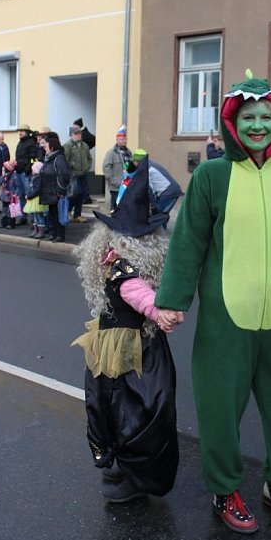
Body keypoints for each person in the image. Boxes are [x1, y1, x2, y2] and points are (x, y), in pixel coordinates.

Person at [155, 72, 271, 535]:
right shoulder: (211, 175)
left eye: (265, 117)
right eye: (248, 118)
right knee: (220, 410)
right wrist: (173, 300)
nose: (257, 125)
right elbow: (188, 242)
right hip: (227, 319)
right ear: (232, 124)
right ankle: (224, 490)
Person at [73, 155, 179, 503]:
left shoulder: (116, 260)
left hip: (123, 345)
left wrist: (161, 311)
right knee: (134, 409)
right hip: (131, 349)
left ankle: (126, 468)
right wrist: (160, 313)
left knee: (120, 406)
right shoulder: (122, 266)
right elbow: (140, 295)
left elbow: (142, 295)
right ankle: (132, 469)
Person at [131, 149, 183, 220]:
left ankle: (161, 226)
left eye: (134, 161)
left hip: (168, 192)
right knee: (161, 215)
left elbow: (149, 189)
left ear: (137, 161)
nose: (133, 164)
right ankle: (162, 224)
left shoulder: (146, 169)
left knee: (157, 216)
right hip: (172, 190)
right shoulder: (151, 164)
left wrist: (153, 206)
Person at [39, 132, 70, 243]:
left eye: (46, 146)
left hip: (56, 192)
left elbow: (63, 175)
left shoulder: (59, 158)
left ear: (52, 148)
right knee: (52, 214)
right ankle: (54, 233)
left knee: (58, 214)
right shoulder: (48, 158)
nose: (44, 148)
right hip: (49, 191)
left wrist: (61, 191)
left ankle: (60, 235)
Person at [63, 124, 91, 223]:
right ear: (71, 135)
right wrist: (70, 170)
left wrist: (88, 166)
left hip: (83, 173)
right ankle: (68, 210)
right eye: (76, 133)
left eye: (79, 133)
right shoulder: (67, 146)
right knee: (74, 193)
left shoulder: (84, 145)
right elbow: (65, 160)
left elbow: (89, 158)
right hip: (73, 175)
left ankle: (77, 214)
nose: (78, 135)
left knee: (81, 194)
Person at [102, 125, 132, 210]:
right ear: (117, 139)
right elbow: (106, 167)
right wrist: (112, 180)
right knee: (115, 208)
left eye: (125, 139)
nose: (124, 141)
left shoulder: (128, 152)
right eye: (122, 139)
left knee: (125, 207)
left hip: (126, 185)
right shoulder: (111, 152)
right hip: (116, 187)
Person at [15, 125, 39, 223]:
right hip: (19, 171)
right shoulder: (20, 143)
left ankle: (33, 219)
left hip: (26, 173)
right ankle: (23, 216)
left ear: (27, 132)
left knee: (29, 195)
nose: (20, 133)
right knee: (21, 195)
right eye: (19, 131)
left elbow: (32, 158)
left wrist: (27, 170)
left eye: (22, 131)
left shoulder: (31, 143)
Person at [23, 160, 49, 239]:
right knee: (35, 216)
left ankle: (41, 231)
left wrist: (29, 196)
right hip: (33, 199)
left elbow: (37, 190)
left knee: (39, 215)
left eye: (33, 169)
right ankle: (36, 230)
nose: (32, 171)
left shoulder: (38, 179)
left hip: (36, 199)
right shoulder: (34, 177)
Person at [0, 160, 19, 229]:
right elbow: (0, 182)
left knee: (11, 211)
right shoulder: (4, 176)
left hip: (11, 197)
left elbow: (17, 187)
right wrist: (2, 176)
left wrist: (15, 194)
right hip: (4, 196)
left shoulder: (14, 176)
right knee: (4, 210)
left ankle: (11, 223)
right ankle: (4, 223)